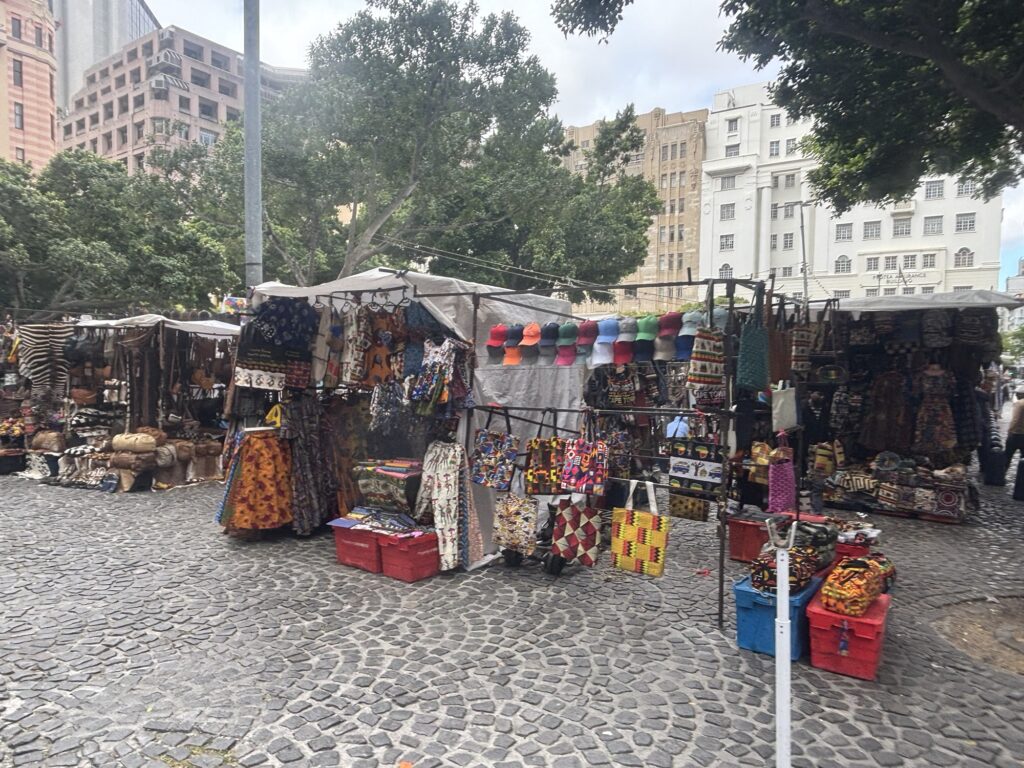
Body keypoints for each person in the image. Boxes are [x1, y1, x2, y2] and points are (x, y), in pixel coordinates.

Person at [1004, 386, 1024, 471]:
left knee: (1007, 457)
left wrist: (1010, 430)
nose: (1016, 395)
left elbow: (1016, 419)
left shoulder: (1019, 403)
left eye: (1017, 394)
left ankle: (1002, 473)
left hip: (1016, 434)